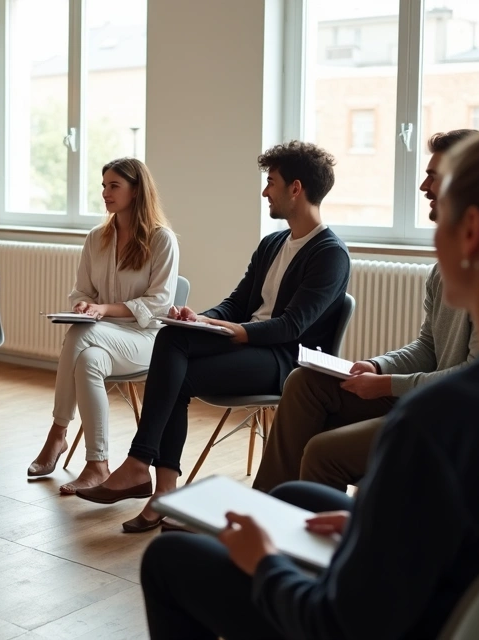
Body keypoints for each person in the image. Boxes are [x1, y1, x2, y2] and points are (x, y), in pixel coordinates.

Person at [138, 91, 479, 639]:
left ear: (472, 233)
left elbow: (339, 624)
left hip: (417, 624)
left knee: (171, 559)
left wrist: (264, 562)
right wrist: (391, 535)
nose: (425, 200)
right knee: (298, 498)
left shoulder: (438, 421)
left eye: (439, 206)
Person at [76, 142, 350, 533]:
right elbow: (237, 302)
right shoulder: (273, 243)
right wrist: (200, 319)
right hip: (250, 341)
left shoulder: (329, 253)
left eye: (270, 182)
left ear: (296, 188)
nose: (264, 191)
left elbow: (292, 327)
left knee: (175, 369)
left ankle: (145, 471)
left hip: (284, 361)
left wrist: (235, 332)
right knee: (173, 338)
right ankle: (160, 488)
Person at [250, 130, 479, 494]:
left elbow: (478, 377)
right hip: (425, 396)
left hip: (452, 415)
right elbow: (428, 346)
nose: (423, 186)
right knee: (306, 382)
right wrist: (378, 366)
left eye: (433, 176)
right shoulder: (444, 266)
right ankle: (265, 507)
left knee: (323, 449)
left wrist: (387, 384)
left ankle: (304, 528)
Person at [26, 157, 178, 494]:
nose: (105, 193)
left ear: (136, 191)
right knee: (88, 359)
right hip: (100, 337)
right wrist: (82, 303)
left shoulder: (161, 240)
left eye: (114, 186)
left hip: (147, 339)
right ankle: (98, 463)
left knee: (81, 332)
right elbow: (82, 289)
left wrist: (103, 308)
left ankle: (57, 433)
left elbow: (159, 304)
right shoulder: (97, 238)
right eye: (104, 186)